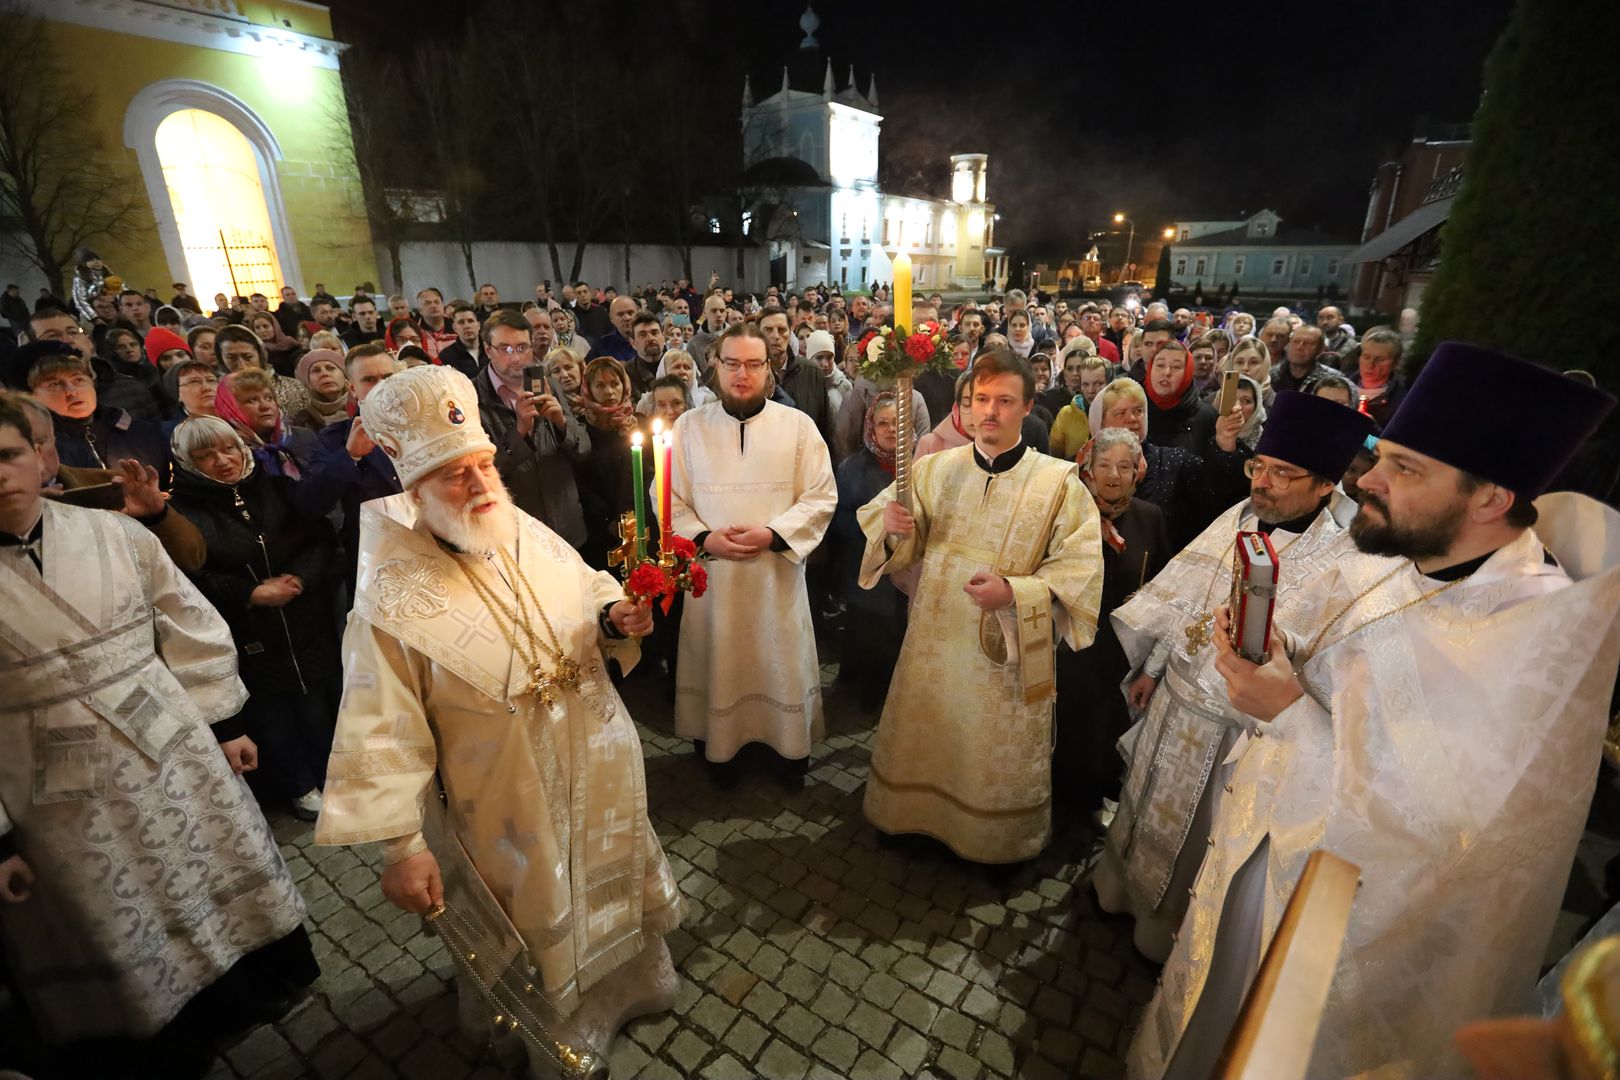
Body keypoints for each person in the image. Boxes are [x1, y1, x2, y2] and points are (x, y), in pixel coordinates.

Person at [1133, 344, 1620, 1080]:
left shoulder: (1541, 643)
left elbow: (1451, 835)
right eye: (1380, 457)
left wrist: (1289, 712)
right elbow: (1330, 639)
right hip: (1260, 843)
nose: (1369, 480)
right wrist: (1276, 647)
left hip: (1341, 929)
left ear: (1489, 499)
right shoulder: (1404, 551)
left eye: (1405, 468)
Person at [312, 365, 682, 1071]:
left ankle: (635, 982)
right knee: (539, 903)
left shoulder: (523, 531)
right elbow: (377, 728)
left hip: (597, 757)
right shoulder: (388, 602)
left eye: (484, 464)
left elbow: (588, 589)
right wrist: (401, 847)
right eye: (456, 475)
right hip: (506, 798)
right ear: (415, 490)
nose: (482, 486)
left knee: (612, 873)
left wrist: (613, 614)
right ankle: (558, 1028)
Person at [0, 398, 317, 1080]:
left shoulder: (114, 534)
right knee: (116, 906)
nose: (0, 475)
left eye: (7, 455)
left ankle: (250, 991)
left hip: (168, 738)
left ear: (38, 454)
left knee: (208, 859)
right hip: (47, 777)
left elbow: (187, 622)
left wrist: (226, 721)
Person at [1093, 392, 1376, 964]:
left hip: (1237, 733)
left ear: (1325, 485)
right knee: (1145, 805)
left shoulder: (1348, 562)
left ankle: (1169, 938)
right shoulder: (1241, 516)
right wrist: (1151, 666)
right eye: (1259, 466)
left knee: (1202, 836)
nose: (1263, 482)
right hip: (1175, 701)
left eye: (1281, 473)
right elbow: (1186, 596)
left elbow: (1326, 666)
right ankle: (1115, 895)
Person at [856, 348, 1103, 863]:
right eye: (979, 399)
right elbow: (896, 542)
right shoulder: (931, 469)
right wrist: (895, 529)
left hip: (1003, 649)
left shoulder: (1058, 483)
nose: (989, 412)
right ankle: (913, 818)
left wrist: (1015, 593)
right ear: (965, 405)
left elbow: (1079, 569)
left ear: (1028, 406)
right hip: (935, 639)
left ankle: (992, 842)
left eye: (1004, 401)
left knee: (987, 749)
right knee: (933, 727)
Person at [669, 322, 837, 778]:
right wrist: (705, 539)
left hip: (774, 579)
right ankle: (721, 755)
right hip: (713, 581)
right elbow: (667, 499)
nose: (742, 373)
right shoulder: (687, 428)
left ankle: (788, 753)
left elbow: (822, 496)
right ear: (715, 367)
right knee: (719, 660)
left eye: (753, 364)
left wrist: (773, 535)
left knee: (777, 659)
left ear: (769, 370)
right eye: (732, 363)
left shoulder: (798, 427)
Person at [1053, 428, 1170, 813]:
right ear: (1088, 467)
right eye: (1104, 465)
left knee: (1108, 734)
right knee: (1068, 731)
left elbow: (1163, 587)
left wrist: (1152, 663)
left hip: (1123, 653)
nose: (1113, 475)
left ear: (1138, 471)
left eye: (1124, 466)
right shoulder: (1070, 515)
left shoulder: (1150, 518)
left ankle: (1093, 807)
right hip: (1072, 648)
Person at [473, 310, 591, 549]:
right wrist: (518, 433)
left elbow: (584, 450)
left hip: (566, 527)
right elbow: (482, 473)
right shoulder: (472, 398)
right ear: (488, 350)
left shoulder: (550, 386)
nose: (516, 357)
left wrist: (561, 423)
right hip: (517, 536)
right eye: (505, 349)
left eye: (522, 347)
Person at [298, 344, 403, 587]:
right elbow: (309, 502)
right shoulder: (335, 437)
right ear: (352, 388)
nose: (381, 385)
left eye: (387, 377)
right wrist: (349, 457)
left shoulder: (426, 425)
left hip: (434, 549)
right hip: (376, 562)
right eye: (369, 379)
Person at [831, 393, 909, 709]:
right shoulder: (852, 468)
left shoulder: (921, 462)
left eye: (897, 423)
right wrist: (876, 534)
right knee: (869, 635)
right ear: (871, 429)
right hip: (866, 568)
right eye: (883, 423)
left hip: (907, 570)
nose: (891, 430)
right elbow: (838, 518)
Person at [12, 341, 169, 473]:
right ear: (32, 396)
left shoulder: (142, 433)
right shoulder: (36, 452)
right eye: (54, 384)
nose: (71, 392)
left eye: (78, 380)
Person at [572, 357, 638, 570]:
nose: (609, 392)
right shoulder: (580, 431)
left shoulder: (640, 425)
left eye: (614, 384)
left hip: (639, 525)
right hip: (598, 533)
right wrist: (608, 520)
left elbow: (647, 475)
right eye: (600, 385)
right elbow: (580, 481)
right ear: (588, 389)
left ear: (625, 385)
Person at [214, 369, 316, 479]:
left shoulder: (304, 438)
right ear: (230, 409)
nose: (265, 406)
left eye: (269, 398)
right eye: (252, 400)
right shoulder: (225, 452)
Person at [216, 325, 310, 418]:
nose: (241, 365)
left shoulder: (293, 387)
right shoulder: (217, 395)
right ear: (221, 359)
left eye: (248, 357)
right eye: (231, 358)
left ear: (260, 355)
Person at [1348, 326, 1408, 426]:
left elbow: (1391, 441)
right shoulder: (1341, 386)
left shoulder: (1402, 403)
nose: (1370, 365)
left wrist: (1371, 431)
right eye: (1366, 357)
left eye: (1380, 359)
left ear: (1395, 363)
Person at [289, 348, 350, 431]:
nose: (324, 374)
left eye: (330, 368)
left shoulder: (363, 404)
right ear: (309, 382)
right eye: (316, 370)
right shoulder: (303, 421)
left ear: (344, 375)